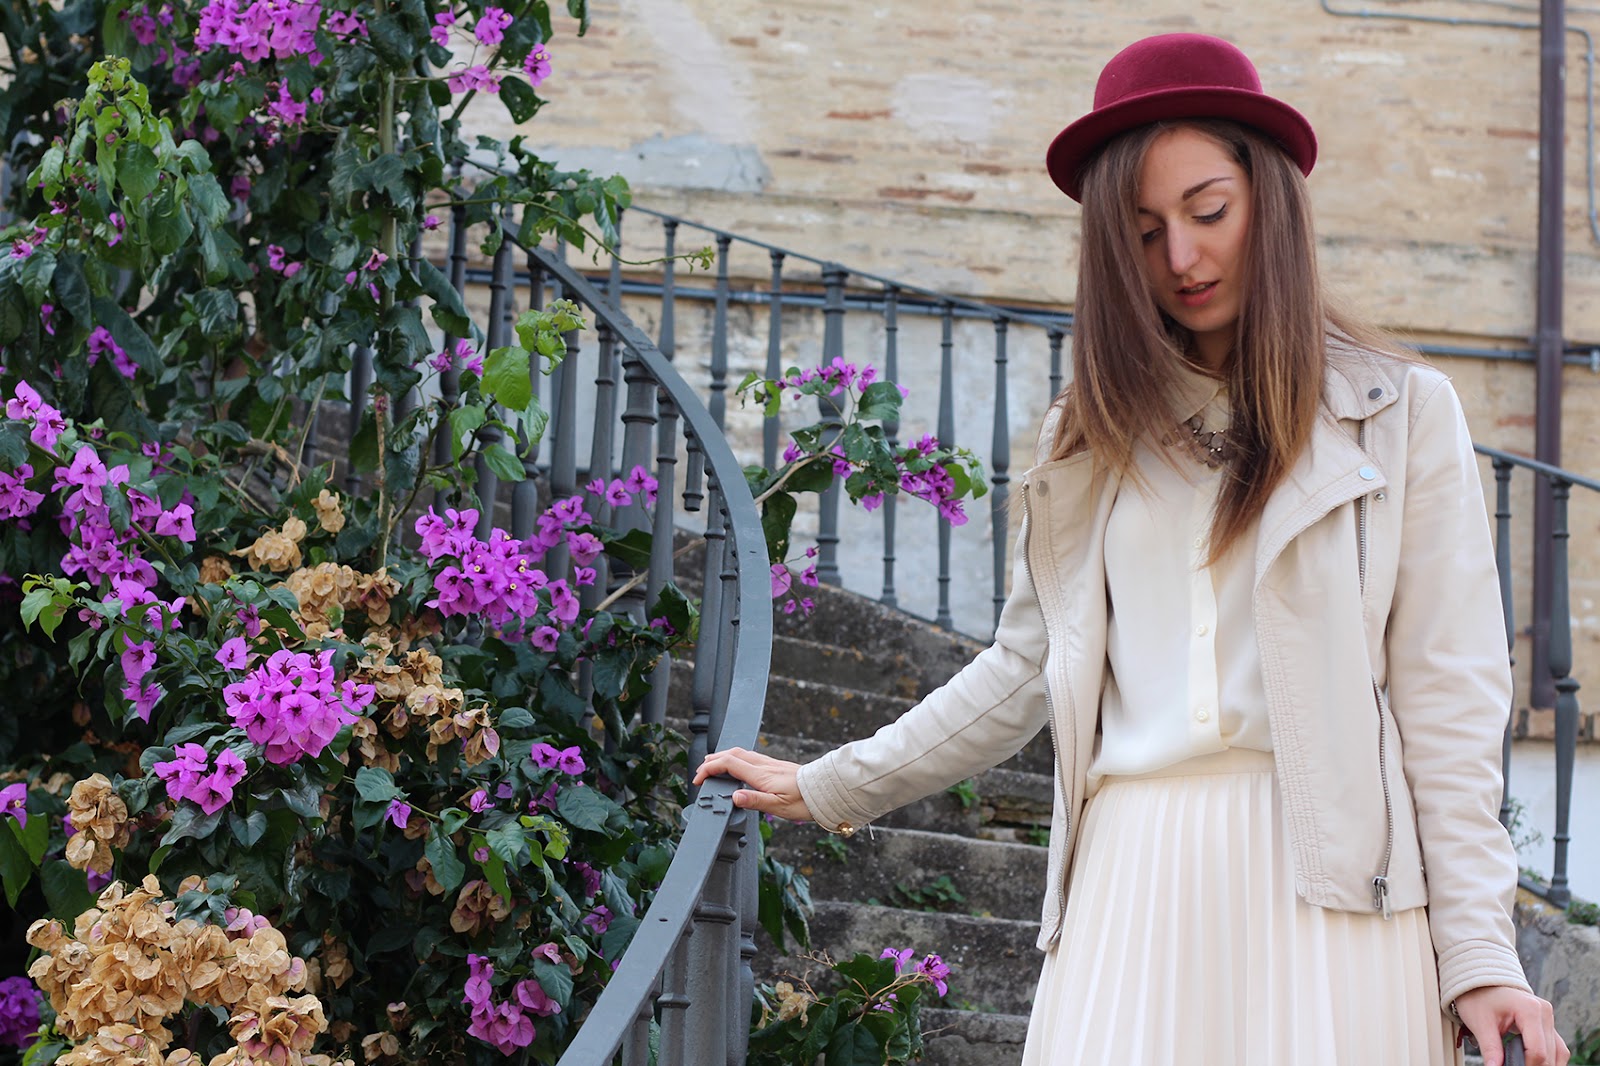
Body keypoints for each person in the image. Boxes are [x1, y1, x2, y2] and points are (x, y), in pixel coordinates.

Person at [694, 32, 1569, 1066]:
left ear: (1269, 201)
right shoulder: (1089, 433)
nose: (1182, 260)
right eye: (1144, 233)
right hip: (1131, 884)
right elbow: (1027, 666)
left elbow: (1445, 702)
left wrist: (1479, 955)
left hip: (1334, 900)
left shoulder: (1400, 413)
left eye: (1207, 213)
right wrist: (831, 782)